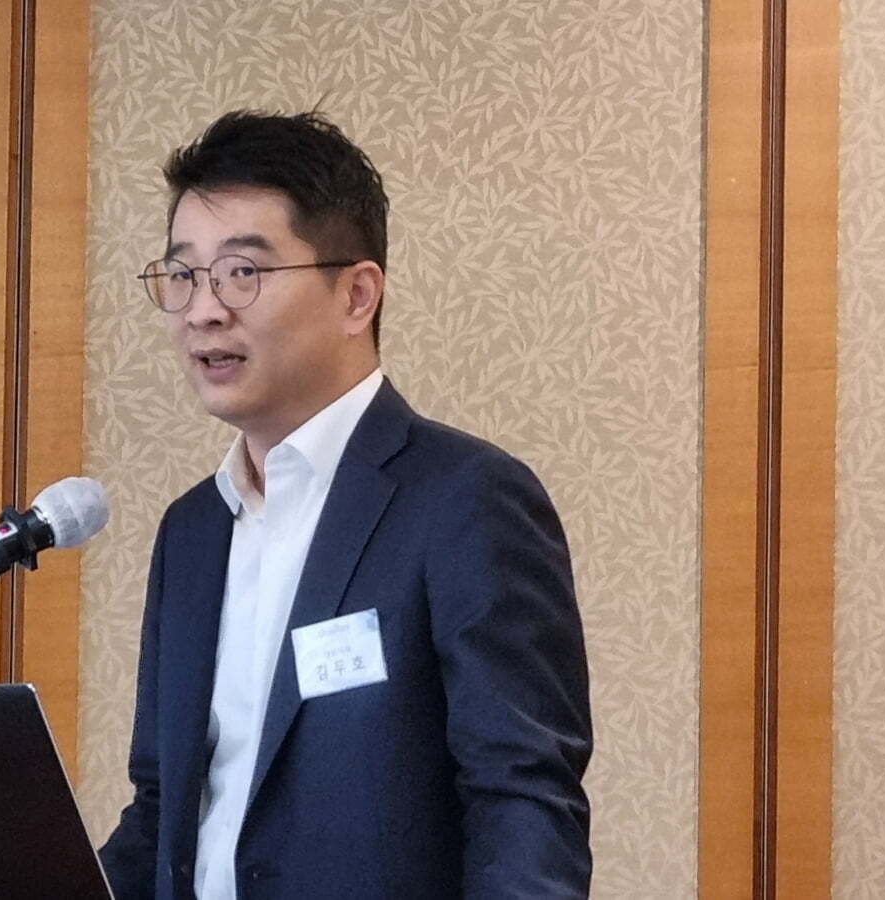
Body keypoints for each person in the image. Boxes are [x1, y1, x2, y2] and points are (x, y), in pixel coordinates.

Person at [99, 110, 592, 900]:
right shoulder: (192, 531)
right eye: (183, 275)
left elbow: (521, 800)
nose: (203, 310)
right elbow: (164, 811)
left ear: (357, 296)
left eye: (242, 272)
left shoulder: (465, 500)